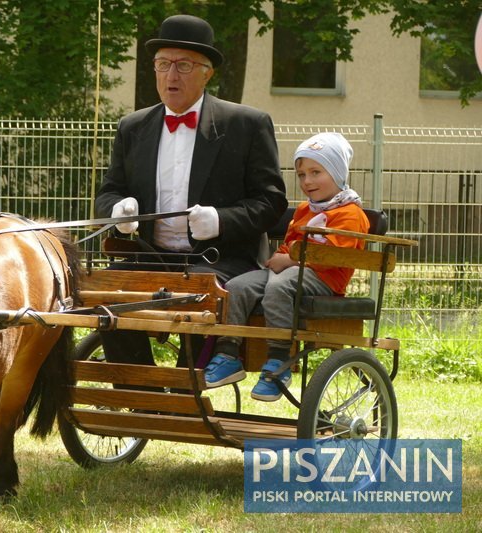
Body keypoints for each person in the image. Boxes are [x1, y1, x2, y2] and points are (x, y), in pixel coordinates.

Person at [94, 14, 287, 367]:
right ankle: (141, 397)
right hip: (149, 256)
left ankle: (185, 393)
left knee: (197, 295)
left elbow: (271, 202)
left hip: (220, 260)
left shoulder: (246, 124)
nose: (171, 75)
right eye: (162, 64)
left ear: (207, 72)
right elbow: (109, 191)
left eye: (183, 65)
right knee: (106, 293)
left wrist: (221, 221)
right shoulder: (133, 127)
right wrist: (118, 210)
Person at [204, 132, 370, 401]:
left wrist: (290, 260)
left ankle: (279, 362)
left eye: (316, 172)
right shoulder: (306, 210)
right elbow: (290, 242)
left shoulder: (350, 214)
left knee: (280, 286)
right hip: (292, 271)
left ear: (337, 172)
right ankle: (227, 352)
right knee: (236, 286)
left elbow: (333, 254)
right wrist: (279, 258)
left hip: (324, 278)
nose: (308, 181)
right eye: (302, 174)